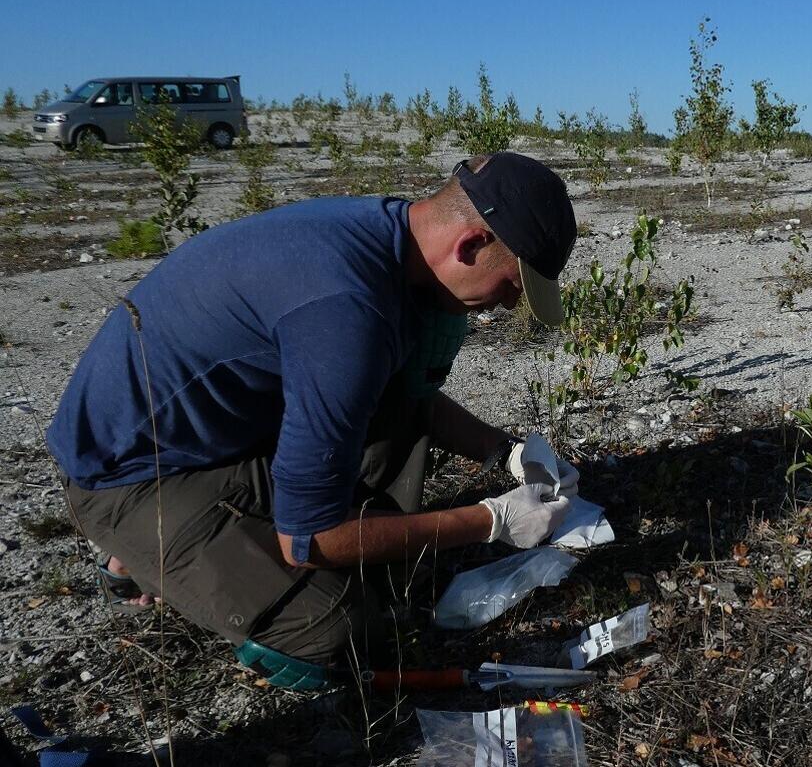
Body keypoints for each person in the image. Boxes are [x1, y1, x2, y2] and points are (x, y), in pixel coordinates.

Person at [45, 152, 581, 690]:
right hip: (131, 477)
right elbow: (310, 539)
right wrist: (491, 520)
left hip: (208, 430)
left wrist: (509, 450)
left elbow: (407, 398)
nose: (511, 305)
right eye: (513, 284)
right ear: (470, 246)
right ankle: (141, 553)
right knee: (337, 630)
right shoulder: (348, 312)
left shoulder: (386, 232)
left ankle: (206, 542)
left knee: (394, 405)